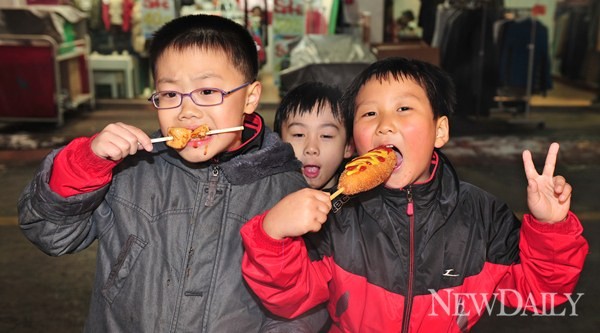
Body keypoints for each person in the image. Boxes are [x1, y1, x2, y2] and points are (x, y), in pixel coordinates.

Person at [17, 14, 322, 332]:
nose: (187, 112)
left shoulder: (287, 189)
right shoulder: (130, 169)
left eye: (207, 92)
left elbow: (302, 308)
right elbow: (49, 234)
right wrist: (84, 164)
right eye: (170, 95)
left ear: (250, 97)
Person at [240, 57, 589, 332]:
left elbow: (544, 293)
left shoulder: (483, 214)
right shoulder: (337, 213)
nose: (384, 124)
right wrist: (273, 237)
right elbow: (289, 300)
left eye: (403, 109)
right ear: (354, 141)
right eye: (369, 113)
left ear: (440, 130)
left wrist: (550, 228)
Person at [273, 81, 353, 191]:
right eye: (299, 135)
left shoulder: (363, 203)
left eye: (326, 135)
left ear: (348, 146)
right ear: (278, 143)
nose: (311, 148)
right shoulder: (266, 198)